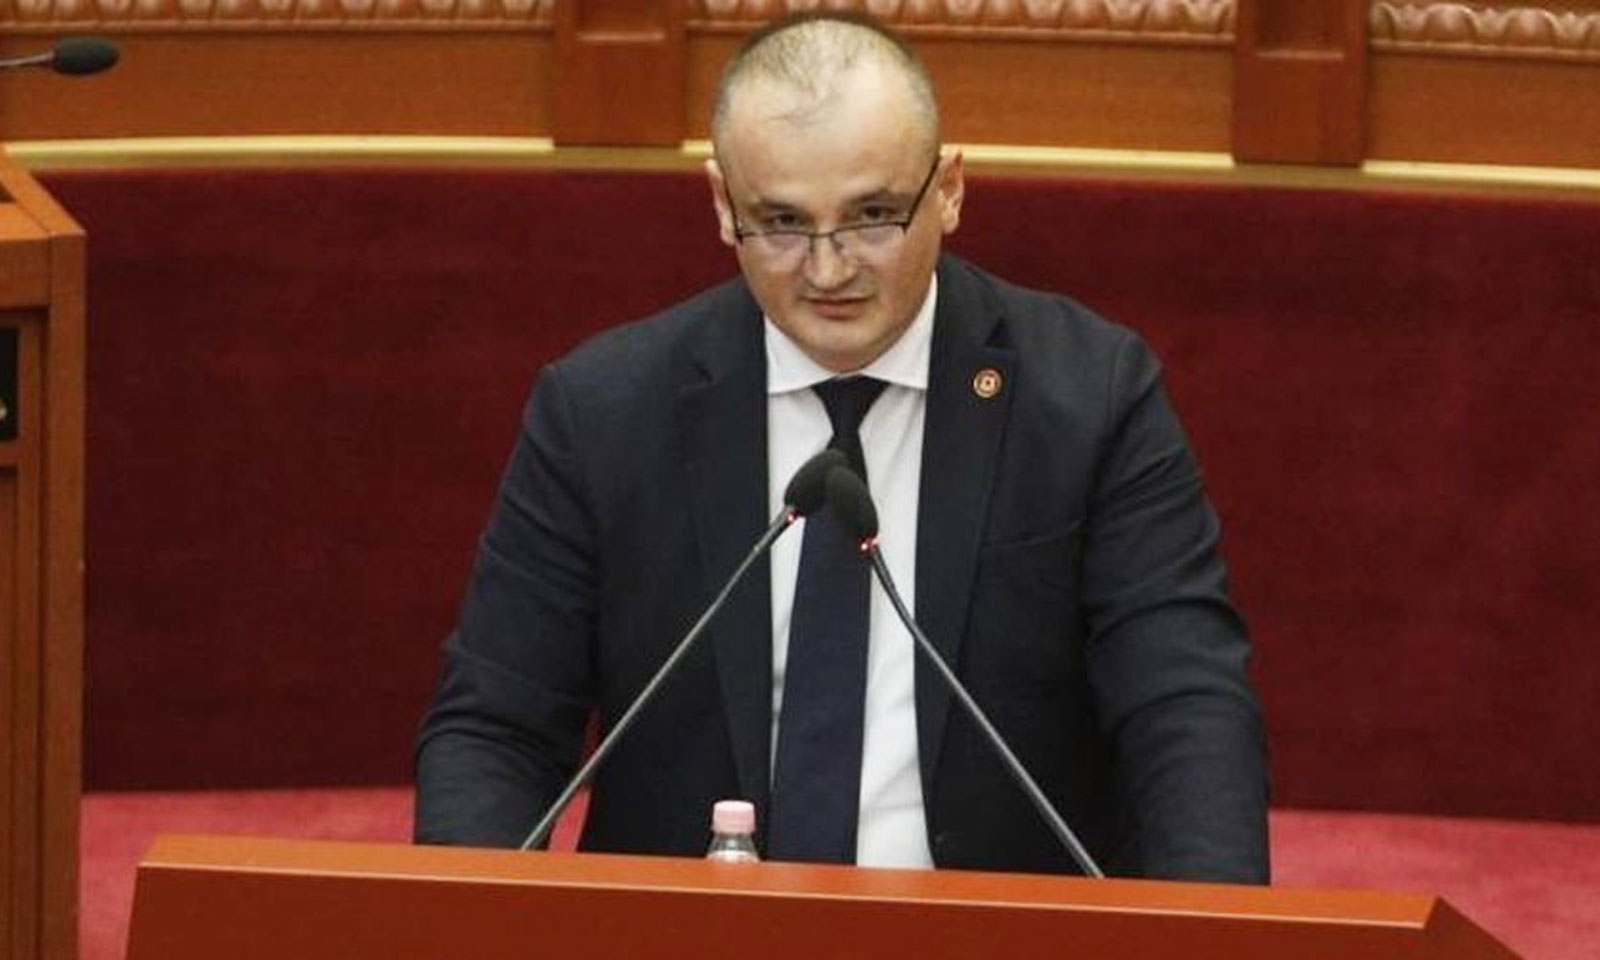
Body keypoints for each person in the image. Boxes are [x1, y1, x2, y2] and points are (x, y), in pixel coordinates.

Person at [415, 11, 1268, 883]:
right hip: (687, 933)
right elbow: (497, 728)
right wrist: (466, 922)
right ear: (722, 206)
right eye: (782, 223)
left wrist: (1216, 929)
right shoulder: (603, 412)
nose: (829, 271)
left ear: (949, 190)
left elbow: (1184, 710)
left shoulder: (1089, 399)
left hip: (994, 929)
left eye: (873, 216)